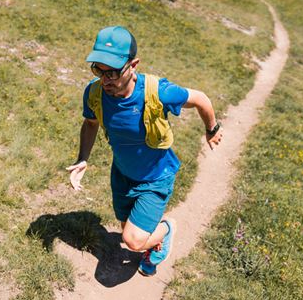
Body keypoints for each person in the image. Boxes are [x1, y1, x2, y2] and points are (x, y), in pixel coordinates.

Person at [66, 26, 223, 277]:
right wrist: (82, 158)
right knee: (128, 227)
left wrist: (212, 128)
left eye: (113, 72)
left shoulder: (158, 91)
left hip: (155, 178)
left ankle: (167, 229)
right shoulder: (94, 93)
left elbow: (201, 98)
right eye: (99, 69)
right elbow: (91, 123)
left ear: (134, 64)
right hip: (122, 174)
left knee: (134, 241)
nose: (106, 79)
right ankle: (154, 245)